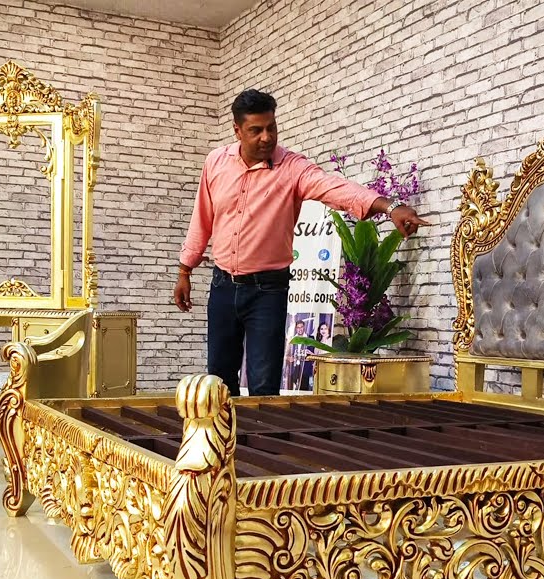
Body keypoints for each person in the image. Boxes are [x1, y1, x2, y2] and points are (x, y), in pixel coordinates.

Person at [173, 89, 430, 397]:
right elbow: (202, 216)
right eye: (256, 130)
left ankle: (260, 432)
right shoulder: (216, 162)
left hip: (268, 291)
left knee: (264, 386)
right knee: (218, 382)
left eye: (272, 127)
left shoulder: (293, 168)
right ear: (237, 130)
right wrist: (185, 270)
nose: (267, 137)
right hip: (223, 286)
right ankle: (224, 430)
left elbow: (335, 188)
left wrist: (389, 207)